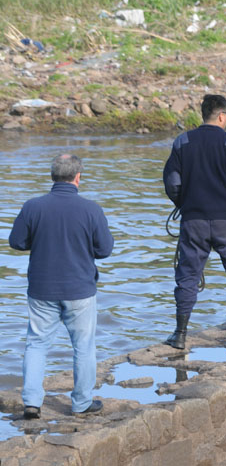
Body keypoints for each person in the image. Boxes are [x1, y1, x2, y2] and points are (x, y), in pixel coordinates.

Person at [9, 154, 114, 419]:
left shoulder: (33, 207)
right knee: (83, 346)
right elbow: (105, 249)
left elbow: (17, 242)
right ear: (78, 177)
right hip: (80, 289)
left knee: (36, 344)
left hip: (41, 288)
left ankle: (32, 403)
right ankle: (81, 403)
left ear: (52, 176)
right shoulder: (92, 209)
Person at [162, 94, 226, 348]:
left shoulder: (182, 141)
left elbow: (172, 181)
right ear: (221, 116)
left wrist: (183, 203)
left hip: (193, 219)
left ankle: (180, 335)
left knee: (187, 275)